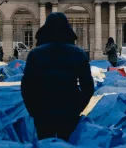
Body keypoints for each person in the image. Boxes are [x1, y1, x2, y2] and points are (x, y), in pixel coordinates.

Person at [21, 12, 94, 141]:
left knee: (45, 143)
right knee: (66, 143)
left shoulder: (36, 54)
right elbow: (88, 87)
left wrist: (33, 109)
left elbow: (27, 87)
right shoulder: (79, 54)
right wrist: (77, 107)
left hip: (43, 109)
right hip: (69, 109)